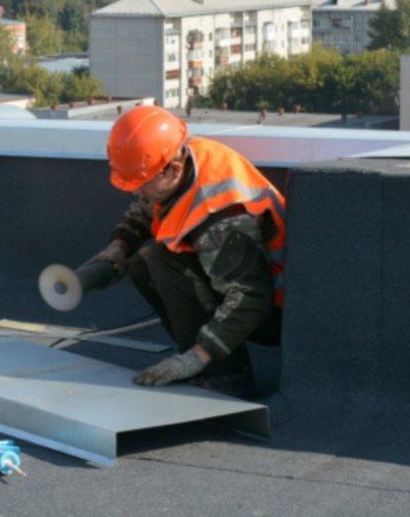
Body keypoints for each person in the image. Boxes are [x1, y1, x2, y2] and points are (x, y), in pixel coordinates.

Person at [88, 105, 286, 395]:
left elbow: (251, 296)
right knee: (144, 262)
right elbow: (147, 207)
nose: (136, 192)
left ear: (173, 170)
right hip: (243, 288)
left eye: (141, 184)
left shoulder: (222, 215)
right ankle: (205, 353)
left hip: (273, 314)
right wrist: (119, 248)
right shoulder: (176, 156)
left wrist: (195, 358)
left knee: (157, 260)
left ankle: (226, 373)